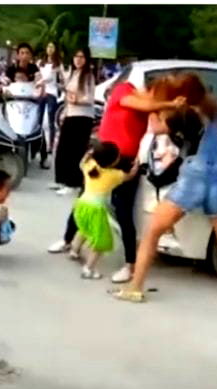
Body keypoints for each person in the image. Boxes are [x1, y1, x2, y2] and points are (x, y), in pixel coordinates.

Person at [110, 73, 217, 309]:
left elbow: (155, 128)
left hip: (194, 178)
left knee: (152, 233)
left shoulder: (184, 114)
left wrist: (157, 106)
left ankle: (135, 288)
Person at [48, 75, 186, 283]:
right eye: (160, 96)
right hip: (103, 155)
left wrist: (178, 113)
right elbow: (133, 103)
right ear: (153, 90)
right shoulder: (124, 89)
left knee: (123, 211)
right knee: (85, 199)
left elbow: (159, 127)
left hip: (126, 161)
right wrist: (167, 103)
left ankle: (130, 264)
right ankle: (68, 240)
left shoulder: (151, 108)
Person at [69, 142, 138, 279]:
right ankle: (88, 268)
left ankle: (74, 250)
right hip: (96, 209)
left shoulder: (90, 166)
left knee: (84, 229)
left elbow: (82, 163)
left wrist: (88, 156)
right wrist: (136, 163)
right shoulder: (113, 175)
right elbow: (130, 175)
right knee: (101, 241)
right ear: (113, 161)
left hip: (82, 204)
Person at [53, 47, 96, 196]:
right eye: (76, 56)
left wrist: (77, 100)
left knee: (75, 151)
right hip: (70, 114)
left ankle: (74, 183)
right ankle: (62, 180)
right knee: (63, 148)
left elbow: (90, 98)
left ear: (87, 59)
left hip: (82, 117)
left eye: (82, 57)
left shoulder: (88, 75)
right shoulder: (74, 73)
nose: (78, 59)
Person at [36, 41, 63, 169]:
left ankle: (50, 146)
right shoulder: (41, 62)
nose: (50, 49)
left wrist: (41, 82)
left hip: (51, 92)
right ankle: (38, 143)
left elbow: (50, 78)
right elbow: (39, 75)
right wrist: (39, 84)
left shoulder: (57, 64)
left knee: (51, 120)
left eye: (52, 46)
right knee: (38, 120)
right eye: (48, 46)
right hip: (41, 92)